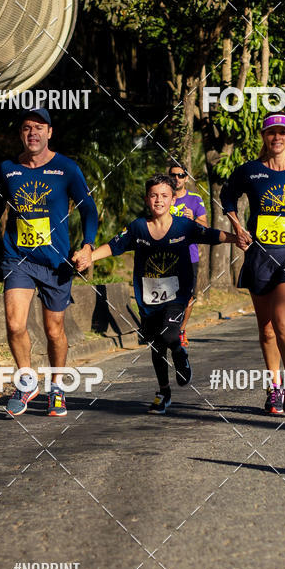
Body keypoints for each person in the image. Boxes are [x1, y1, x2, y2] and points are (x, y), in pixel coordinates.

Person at [90, 173, 246, 414]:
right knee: (156, 346)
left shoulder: (184, 226)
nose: (159, 200)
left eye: (164, 196)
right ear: (146, 199)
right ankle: (164, 391)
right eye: (154, 195)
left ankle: (179, 352)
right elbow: (113, 246)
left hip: (177, 295)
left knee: (170, 334)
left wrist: (237, 238)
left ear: (173, 200)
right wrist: (88, 257)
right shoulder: (137, 227)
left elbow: (212, 235)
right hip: (148, 298)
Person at [0, 108, 98, 418]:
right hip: (18, 257)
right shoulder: (9, 169)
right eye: (27, 127)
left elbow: (88, 209)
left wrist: (88, 246)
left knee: (54, 330)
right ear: (21, 134)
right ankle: (27, 382)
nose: (33, 132)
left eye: (39, 127)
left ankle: (56, 386)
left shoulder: (66, 168)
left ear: (49, 133)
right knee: (14, 323)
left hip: (56, 262)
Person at [220, 112, 285, 416]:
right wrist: (237, 226)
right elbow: (227, 197)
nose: (277, 137)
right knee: (266, 330)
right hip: (260, 254)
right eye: (271, 133)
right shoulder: (249, 171)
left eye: (282, 132)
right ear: (264, 137)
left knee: (282, 322)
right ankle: (273, 385)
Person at [167, 163, 208, 347]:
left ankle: (181, 330)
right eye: (173, 175)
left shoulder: (195, 199)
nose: (177, 178)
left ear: (186, 178)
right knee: (166, 294)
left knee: (188, 296)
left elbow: (205, 226)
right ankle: (167, 329)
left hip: (189, 256)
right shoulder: (163, 197)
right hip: (166, 255)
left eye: (181, 175)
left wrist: (194, 219)